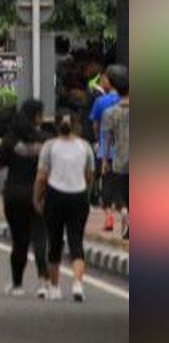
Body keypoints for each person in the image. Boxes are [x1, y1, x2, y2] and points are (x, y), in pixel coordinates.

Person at [34, 111, 95, 302]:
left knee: (55, 241)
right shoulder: (84, 147)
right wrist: (86, 191)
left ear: (56, 126)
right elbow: (89, 174)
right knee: (76, 240)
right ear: (76, 125)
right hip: (78, 196)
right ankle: (77, 283)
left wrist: (37, 198)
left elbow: (42, 176)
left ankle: (54, 286)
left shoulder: (50, 147)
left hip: (55, 196)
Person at [0, 99, 51, 297]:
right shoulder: (45, 140)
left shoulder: (10, 139)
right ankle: (44, 282)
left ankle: (17, 284)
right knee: (40, 237)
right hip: (39, 194)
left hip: (14, 194)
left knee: (19, 240)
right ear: (36, 116)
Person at [88, 65, 122, 231]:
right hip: (124, 150)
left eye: (103, 78)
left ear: (109, 80)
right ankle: (125, 214)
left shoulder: (101, 102)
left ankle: (108, 216)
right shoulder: (125, 101)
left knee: (106, 183)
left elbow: (95, 124)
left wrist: (98, 140)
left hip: (105, 150)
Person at [101, 71, 130, 240]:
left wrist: (105, 160)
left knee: (121, 195)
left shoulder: (110, 113)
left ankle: (125, 214)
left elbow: (107, 140)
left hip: (120, 159)